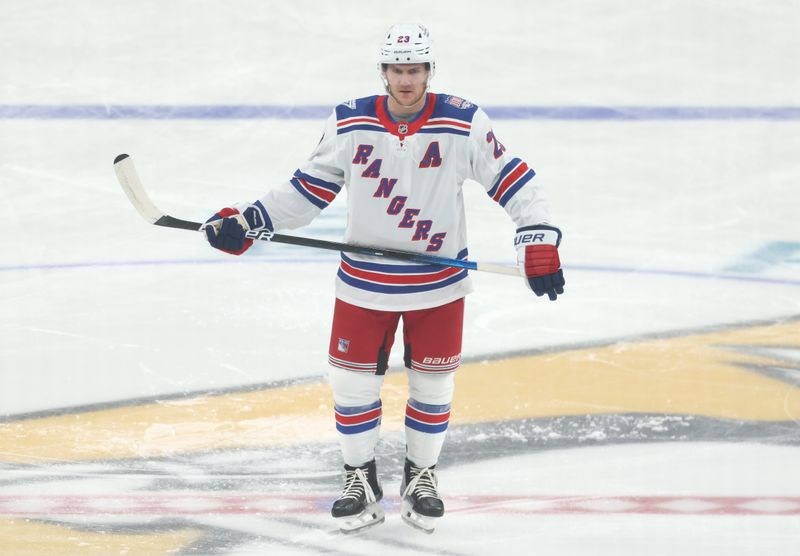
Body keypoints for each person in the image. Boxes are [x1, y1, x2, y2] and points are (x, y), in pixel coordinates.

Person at [203, 23, 565, 534]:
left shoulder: (462, 122)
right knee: (351, 387)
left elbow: (513, 179)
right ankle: (360, 479)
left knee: (433, 386)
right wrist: (248, 219)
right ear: (384, 71)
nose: (406, 80)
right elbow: (306, 191)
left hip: (438, 286)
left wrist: (538, 236)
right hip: (364, 286)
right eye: (397, 70)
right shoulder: (350, 123)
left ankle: (421, 477)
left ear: (429, 71)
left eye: (415, 69)